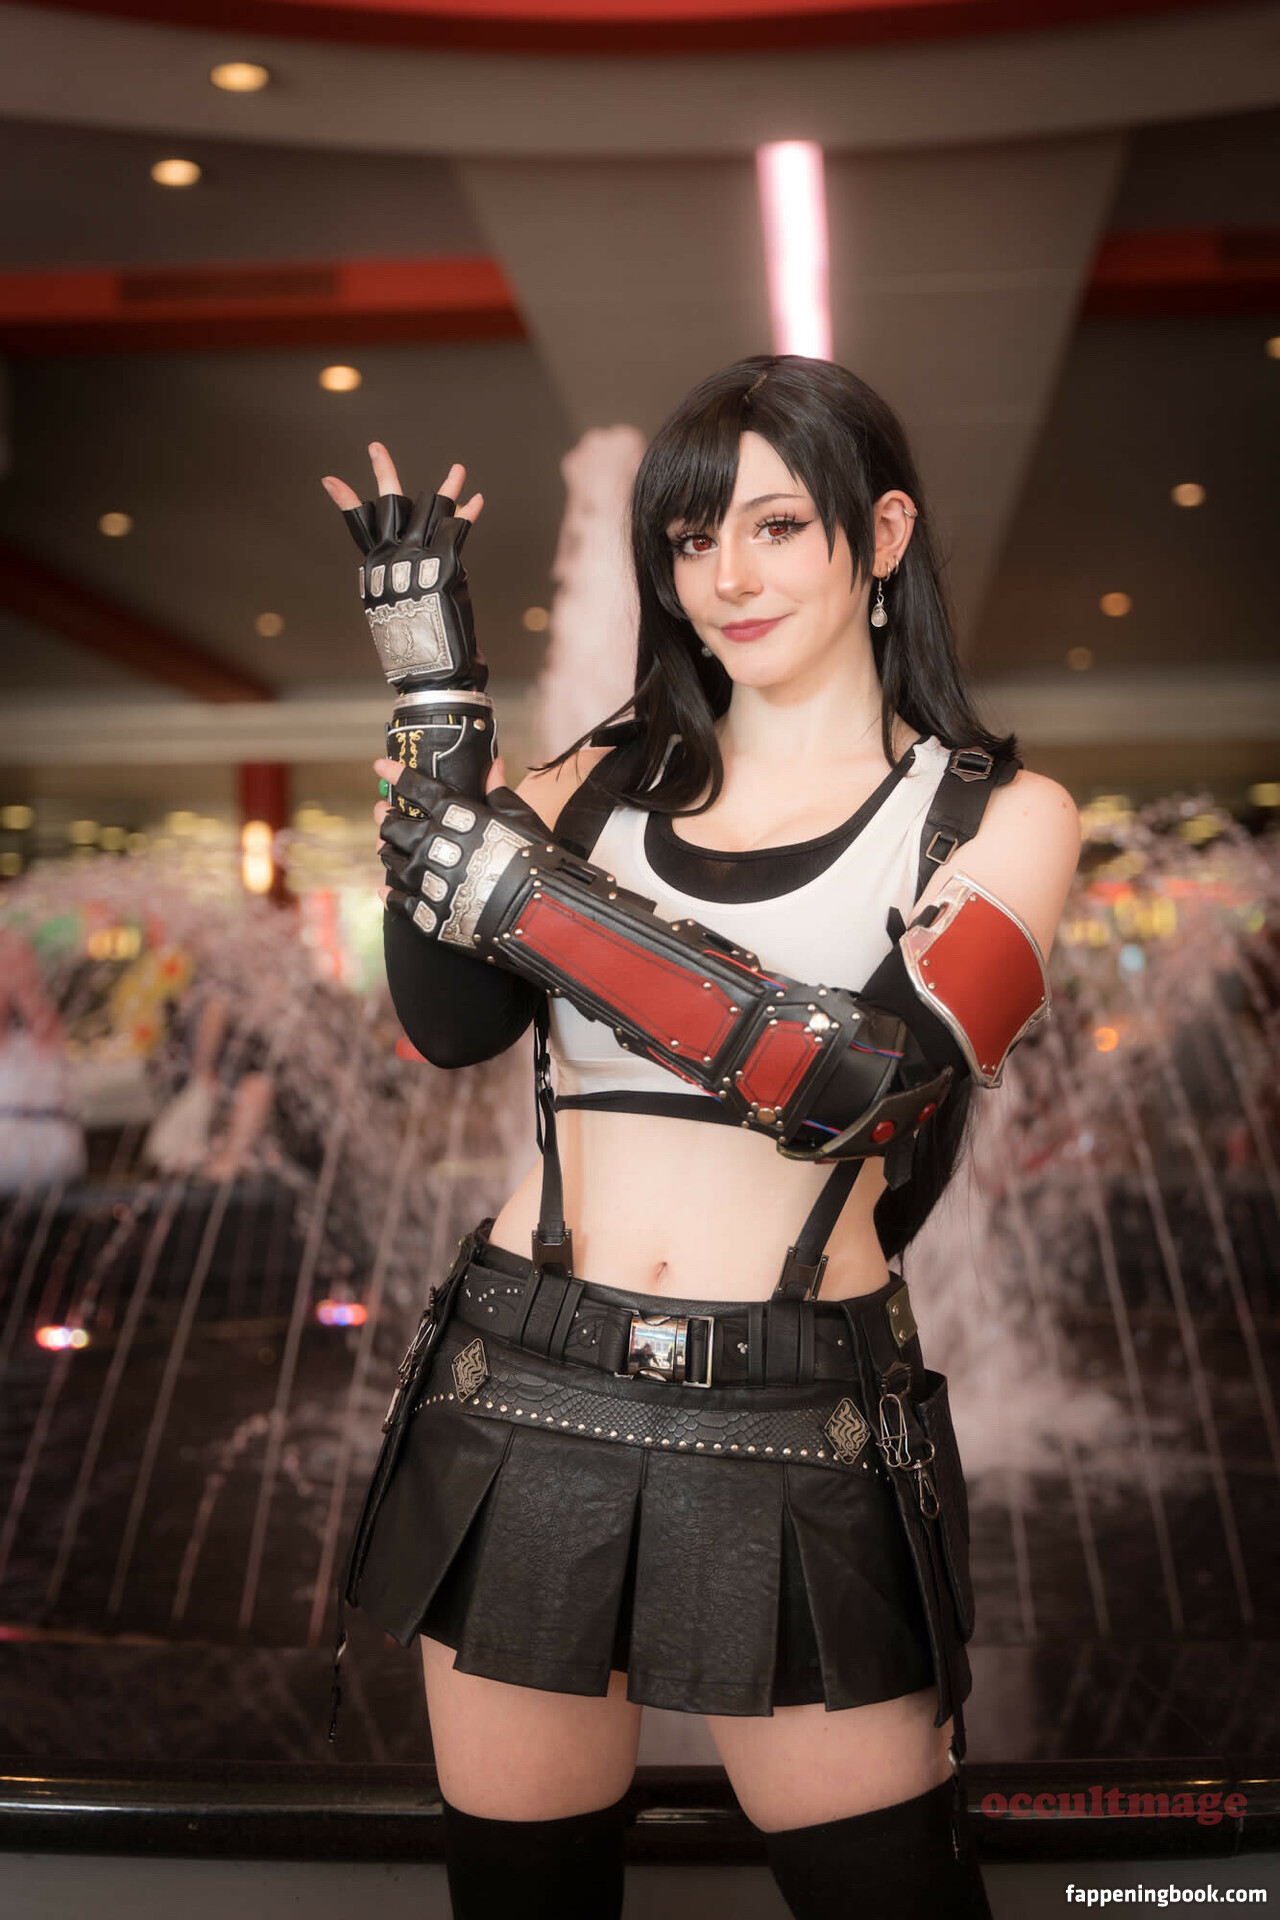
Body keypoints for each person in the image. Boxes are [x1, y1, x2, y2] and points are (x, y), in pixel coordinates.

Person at [321, 355, 1081, 1920]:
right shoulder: (591, 786)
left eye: (777, 525)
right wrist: (439, 719)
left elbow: (867, 1091)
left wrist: (531, 898)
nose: (726, 576)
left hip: (796, 1419)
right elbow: (449, 1023)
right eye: (687, 538)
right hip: (525, 1386)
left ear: (883, 535)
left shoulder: (997, 817)